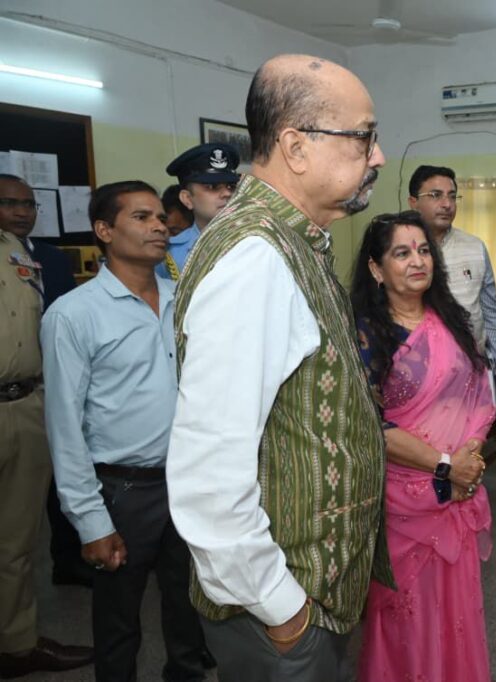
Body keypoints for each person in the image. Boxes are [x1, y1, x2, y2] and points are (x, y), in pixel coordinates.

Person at [166, 54, 391, 682]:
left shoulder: (293, 240)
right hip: (281, 617)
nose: (376, 155)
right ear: (295, 146)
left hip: (307, 599)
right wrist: (283, 610)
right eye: (363, 137)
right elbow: (209, 476)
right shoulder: (256, 256)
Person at [41, 181, 206, 681]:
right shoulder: (74, 314)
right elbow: (64, 427)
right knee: (118, 625)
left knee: (191, 613)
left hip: (189, 481)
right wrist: (91, 521)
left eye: (160, 216)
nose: (159, 226)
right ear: (104, 230)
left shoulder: (185, 300)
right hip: (123, 490)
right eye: (141, 217)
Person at [351, 210, 494, 681]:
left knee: (456, 607)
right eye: (402, 252)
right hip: (403, 500)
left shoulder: (450, 320)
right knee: (406, 616)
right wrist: (446, 465)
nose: (418, 260)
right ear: (377, 268)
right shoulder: (368, 334)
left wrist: (469, 456)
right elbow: (369, 424)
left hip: (459, 486)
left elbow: (479, 395)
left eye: (424, 250)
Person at [0, 180, 92, 678]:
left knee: (16, 541)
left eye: (27, 204)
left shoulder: (29, 258)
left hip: (24, 404)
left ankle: (17, 644)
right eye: (8, 203)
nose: (21, 212)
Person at [407, 165, 496, 409]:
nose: (447, 204)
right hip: (414, 380)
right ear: (413, 202)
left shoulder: (474, 247)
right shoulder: (397, 249)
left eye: (452, 196)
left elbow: (491, 314)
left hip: (469, 376)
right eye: (435, 195)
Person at [155, 143, 240, 280]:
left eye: (231, 186)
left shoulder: (256, 241)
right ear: (187, 199)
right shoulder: (169, 253)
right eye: (213, 187)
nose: (227, 193)